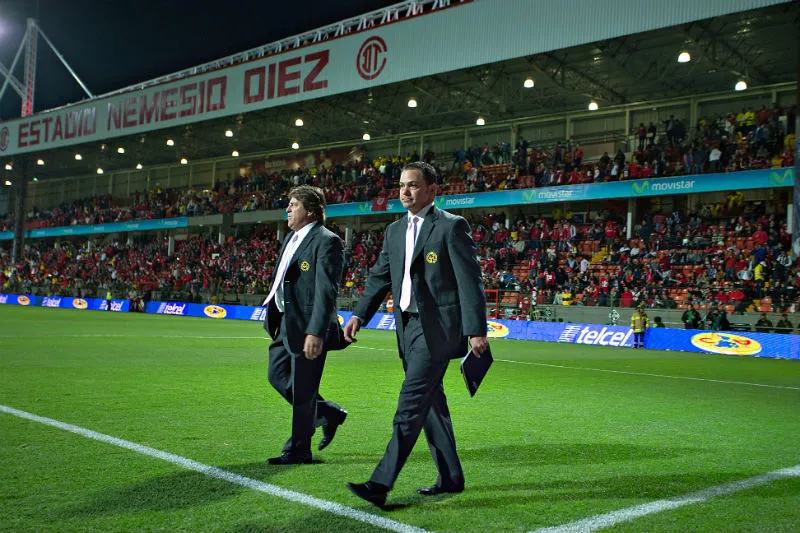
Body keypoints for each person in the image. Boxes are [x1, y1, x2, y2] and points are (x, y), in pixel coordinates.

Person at [343, 161, 489, 508]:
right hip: (405, 328)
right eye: (401, 185)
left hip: (436, 330)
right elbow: (380, 277)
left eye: (412, 185)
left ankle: (380, 483)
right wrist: (359, 315)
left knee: (410, 405)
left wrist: (476, 331)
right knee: (431, 406)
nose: (404, 192)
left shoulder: (452, 226)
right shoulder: (394, 231)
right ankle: (451, 477)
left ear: (431, 190)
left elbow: (471, 282)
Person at [262, 185, 348, 465]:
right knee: (276, 375)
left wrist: (316, 331)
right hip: (286, 322)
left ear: (310, 211)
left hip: (309, 327)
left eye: (293, 205)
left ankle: (298, 449)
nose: (287, 209)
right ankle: (327, 413)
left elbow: (326, 291)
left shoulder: (327, 241)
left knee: (303, 390)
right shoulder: (291, 238)